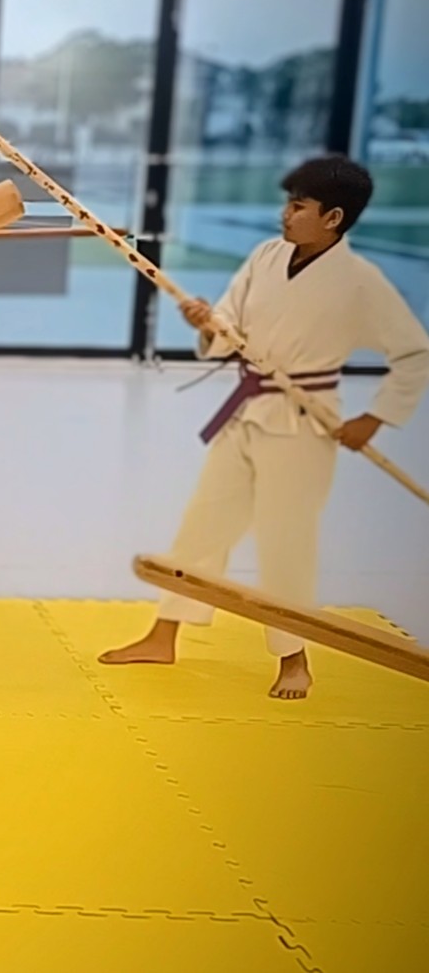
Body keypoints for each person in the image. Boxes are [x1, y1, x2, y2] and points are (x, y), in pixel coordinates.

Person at [100, 154, 429, 699]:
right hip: (247, 413)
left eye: (298, 206)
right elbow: (232, 324)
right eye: (287, 202)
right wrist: (209, 324)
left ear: (333, 218)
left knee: (285, 544)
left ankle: (294, 660)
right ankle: (163, 636)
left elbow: (415, 353)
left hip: (304, 425)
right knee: (202, 527)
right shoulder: (265, 256)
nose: (286, 214)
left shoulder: (360, 283)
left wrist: (373, 417)